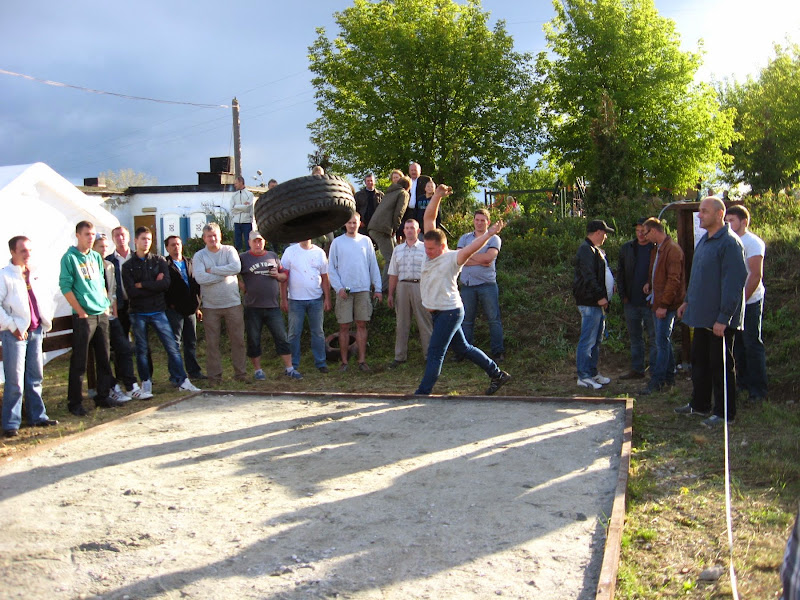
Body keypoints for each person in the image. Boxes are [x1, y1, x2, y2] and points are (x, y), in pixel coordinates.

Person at [414, 184, 510, 396]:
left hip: (449, 311)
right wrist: (437, 195)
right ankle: (497, 374)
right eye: (426, 248)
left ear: (442, 246)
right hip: (439, 312)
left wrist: (490, 234)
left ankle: (423, 392)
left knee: (435, 351)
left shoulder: (453, 258)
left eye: (431, 249)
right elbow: (429, 218)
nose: (427, 252)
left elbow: (472, 247)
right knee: (463, 348)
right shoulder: (428, 250)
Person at [675, 197, 748, 427]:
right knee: (699, 362)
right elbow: (697, 276)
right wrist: (688, 301)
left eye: (704, 211)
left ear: (719, 214)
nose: (699, 215)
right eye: (699, 211)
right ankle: (700, 404)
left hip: (719, 321)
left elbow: (734, 284)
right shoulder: (705, 241)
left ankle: (725, 413)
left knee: (721, 366)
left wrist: (724, 318)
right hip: (701, 316)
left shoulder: (730, 243)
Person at [121, 227, 200, 394]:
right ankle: (146, 382)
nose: (146, 242)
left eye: (149, 239)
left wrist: (142, 284)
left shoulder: (159, 261)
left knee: (172, 346)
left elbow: (164, 285)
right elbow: (131, 292)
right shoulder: (128, 266)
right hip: (138, 311)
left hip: (157, 310)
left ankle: (183, 380)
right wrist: (153, 285)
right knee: (142, 349)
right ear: (135, 241)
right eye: (143, 239)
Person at [59, 221, 122, 416]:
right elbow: (65, 286)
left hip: (101, 312)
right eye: (87, 234)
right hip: (84, 315)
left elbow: (102, 283)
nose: (90, 237)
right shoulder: (70, 257)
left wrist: (105, 305)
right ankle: (75, 402)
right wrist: (80, 311)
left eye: (93, 234)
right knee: (80, 361)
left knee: (104, 356)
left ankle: (103, 396)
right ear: (78, 235)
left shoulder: (95, 256)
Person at [1, 236, 58, 437]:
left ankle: (37, 416)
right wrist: (12, 326)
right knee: (15, 380)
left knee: (35, 376)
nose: (28, 254)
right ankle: (11, 423)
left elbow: (44, 298)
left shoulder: (34, 273)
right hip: (15, 333)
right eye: (23, 251)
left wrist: (45, 320)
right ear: (12, 252)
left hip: (35, 330)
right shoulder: (5, 275)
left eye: (29, 250)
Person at [239, 230, 302, 380]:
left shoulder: (272, 256)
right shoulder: (243, 258)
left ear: (264, 241)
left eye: (260, 241)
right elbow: (232, 273)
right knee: (254, 339)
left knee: (282, 337)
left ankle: (289, 368)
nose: (257, 244)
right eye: (254, 241)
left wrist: (277, 275)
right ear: (249, 243)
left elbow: (284, 275)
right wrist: (241, 285)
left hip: (272, 306)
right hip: (253, 306)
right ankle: (258, 371)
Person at [192, 222, 248, 384]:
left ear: (220, 236)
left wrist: (213, 270)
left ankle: (241, 374)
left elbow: (236, 267)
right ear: (204, 238)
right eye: (209, 236)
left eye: (215, 235)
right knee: (212, 343)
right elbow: (200, 278)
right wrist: (225, 273)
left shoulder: (229, 250)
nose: (212, 239)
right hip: (210, 306)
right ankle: (215, 377)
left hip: (233, 304)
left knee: (238, 341)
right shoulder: (199, 256)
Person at [328, 213, 382, 371]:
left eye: (355, 222)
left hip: (363, 289)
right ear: (345, 224)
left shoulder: (366, 241)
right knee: (344, 326)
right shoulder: (337, 242)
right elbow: (331, 268)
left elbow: (373, 266)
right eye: (349, 222)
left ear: (360, 223)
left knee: (361, 325)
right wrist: (338, 288)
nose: (352, 225)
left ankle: (362, 361)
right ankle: (344, 362)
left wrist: (378, 288)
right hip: (344, 290)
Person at [725, 205, 768, 404]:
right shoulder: (728, 241)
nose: (728, 224)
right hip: (732, 302)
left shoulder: (753, 242)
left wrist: (741, 301)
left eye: (731, 220)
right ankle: (742, 384)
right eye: (726, 220)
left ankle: (758, 390)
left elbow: (755, 275)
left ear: (744, 222)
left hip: (750, 302)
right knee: (738, 346)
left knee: (752, 344)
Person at [92, 235, 142, 402]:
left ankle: (131, 386)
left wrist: (113, 312)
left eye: (106, 246)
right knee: (104, 353)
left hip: (110, 315)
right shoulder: (90, 266)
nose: (104, 249)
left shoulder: (109, 266)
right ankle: (112, 386)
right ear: (93, 248)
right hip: (95, 316)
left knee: (124, 348)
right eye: (100, 246)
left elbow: (113, 291)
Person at [639, 218, 685, 395]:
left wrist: (664, 305)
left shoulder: (672, 250)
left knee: (661, 342)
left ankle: (657, 381)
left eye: (646, 233)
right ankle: (669, 377)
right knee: (663, 341)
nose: (644, 236)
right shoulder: (657, 249)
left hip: (666, 304)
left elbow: (674, 280)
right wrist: (649, 284)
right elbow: (657, 272)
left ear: (654, 231)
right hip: (657, 301)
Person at [456, 208, 505, 362]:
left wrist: (468, 256)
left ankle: (497, 352)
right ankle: (465, 353)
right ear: (473, 221)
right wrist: (478, 259)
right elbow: (459, 258)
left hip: (487, 285)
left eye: (482, 220)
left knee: (493, 319)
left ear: (488, 222)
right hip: (467, 285)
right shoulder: (464, 238)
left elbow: (488, 259)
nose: (479, 223)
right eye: (477, 220)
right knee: (466, 321)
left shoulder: (494, 239)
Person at [573, 219, 615, 390]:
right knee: (588, 340)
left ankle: (592, 372)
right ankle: (583, 376)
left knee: (596, 340)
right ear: (598, 232)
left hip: (597, 304)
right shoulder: (586, 250)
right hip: (590, 302)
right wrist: (600, 297)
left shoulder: (594, 249)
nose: (605, 237)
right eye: (604, 233)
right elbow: (589, 276)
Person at [280, 239, 331, 373]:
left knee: (318, 332)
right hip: (295, 300)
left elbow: (325, 277)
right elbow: (283, 278)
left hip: (316, 299)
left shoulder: (319, 253)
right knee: (294, 333)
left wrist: (327, 298)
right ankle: (292, 365)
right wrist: (283, 299)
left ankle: (321, 362)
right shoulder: (289, 252)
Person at [386, 219, 432, 368]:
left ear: (418, 231)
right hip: (402, 286)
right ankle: (399, 356)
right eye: (407, 228)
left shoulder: (426, 248)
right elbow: (393, 273)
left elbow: (432, 271)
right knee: (401, 323)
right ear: (404, 231)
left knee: (425, 322)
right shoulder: (398, 249)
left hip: (420, 286)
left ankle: (430, 356)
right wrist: (390, 294)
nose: (409, 230)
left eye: (412, 228)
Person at [617, 217, 657, 380]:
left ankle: (655, 371)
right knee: (635, 338)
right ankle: (637, 369)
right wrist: (623, 295)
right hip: (631, 301)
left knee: (654, 338)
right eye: (637, 231)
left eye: (643, 231)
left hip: (650, 302)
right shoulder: (627, 248)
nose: (640, 234)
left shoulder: (656, 248)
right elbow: (620, 273)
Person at [164, 235, 205, 381]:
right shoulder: (165, 264)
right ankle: (175, 375)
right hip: (174, 309)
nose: (176, 247)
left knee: (191, 342)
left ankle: (194, 371)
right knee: (175, 343)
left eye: (178, 244)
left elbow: (196, 284)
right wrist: (169, 305)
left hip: (191, 308)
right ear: (167, 248)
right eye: (173, 245)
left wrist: (197, 306)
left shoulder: (190, 262)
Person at [368, 175, 410, 292]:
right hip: (382, 229)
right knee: (391, 258)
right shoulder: (403, 193)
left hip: (375, 226)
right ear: (408, 187)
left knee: (394, 256)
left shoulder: (390, 192)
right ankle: (382, 288)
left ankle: (390, 284)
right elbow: (399, 213)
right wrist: (395, 229)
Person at [404, 162, 433, 229]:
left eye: (415, 170)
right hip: (408, 212)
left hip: (421, 210)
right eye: (412, 170)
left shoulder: (425, 180)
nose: (413, 172)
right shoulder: (405, 181)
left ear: (420, 171)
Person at [230, 175, 255, 252]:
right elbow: (232, 209)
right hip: (237, 222)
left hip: (247, 221)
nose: (235, 185)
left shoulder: (249, 194)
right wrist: (242, 207)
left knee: (248, 242)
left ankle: (249, 255)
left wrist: (237, 207)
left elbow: (248, 208)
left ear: (241, 182)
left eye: (236, 183)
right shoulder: (234, 195)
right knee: (237, 242)